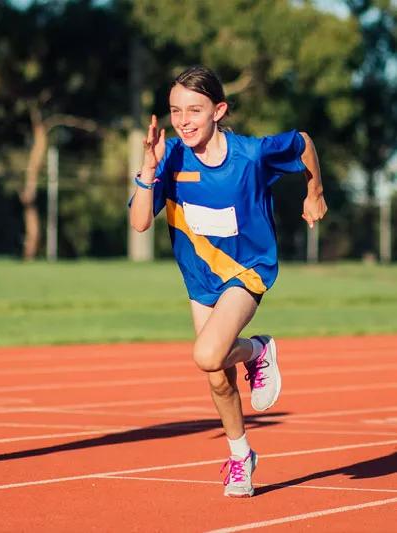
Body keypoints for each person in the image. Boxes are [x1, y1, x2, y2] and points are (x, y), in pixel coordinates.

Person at [129, 66, 327, 497]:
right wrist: (149, 167)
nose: (183, 120)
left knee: (207, 354)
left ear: (218, 110)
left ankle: (257, 348)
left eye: (195, 110)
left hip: (248, 270)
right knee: (217, 375)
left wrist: (314, 192)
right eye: (175, 110)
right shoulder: (171, 160)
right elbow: (140, 222)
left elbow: (304, 141)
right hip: (200, 279)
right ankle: (241, 456)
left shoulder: (252, 154)